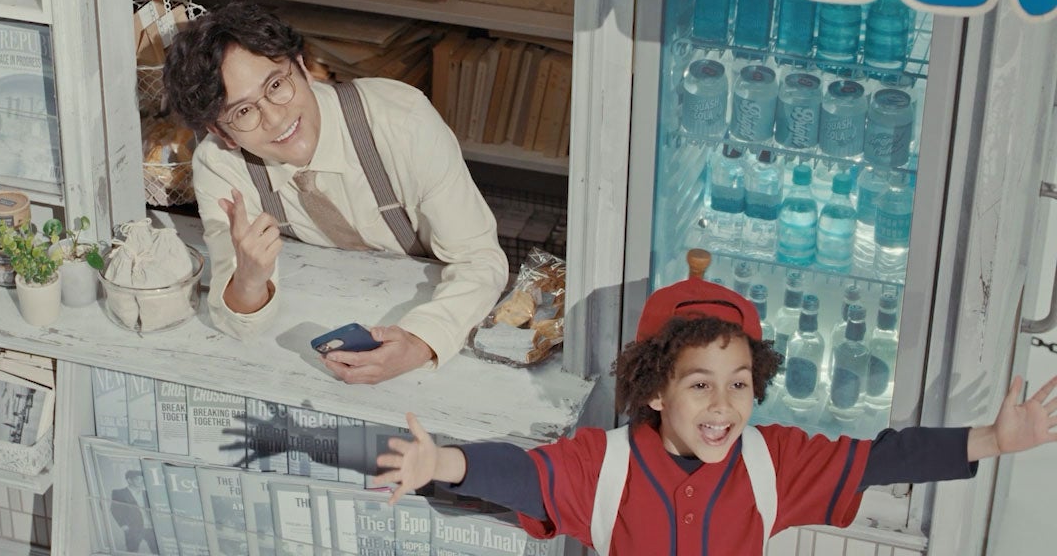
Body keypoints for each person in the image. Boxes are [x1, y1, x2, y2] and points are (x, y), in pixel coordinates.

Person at [376, 273, 1057, 555]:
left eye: (739, 384)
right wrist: (443, 462)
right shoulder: (604, 466)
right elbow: (527, 476)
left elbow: (883, 460)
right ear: (654, 390)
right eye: (700, 385)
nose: (723, 405)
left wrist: (992, 440)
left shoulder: (773, 463)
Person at [164, 2, 508, 384]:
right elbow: (237, 322)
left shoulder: (402, 121)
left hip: (437, 321)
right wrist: (248, 278)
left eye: (276, 85)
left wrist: (420, 342)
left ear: (303, 67)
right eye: (243, 112)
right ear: (222, 133)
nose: (275, 118)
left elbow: (480, 259)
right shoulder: (221, 166)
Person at [110, 468, 156, 553]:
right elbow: (115, 509)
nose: (141, 482)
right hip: (133, 528)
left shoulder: (147, 493)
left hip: (151, 528)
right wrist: (123, 525)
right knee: (132, 551)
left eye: (142, 480)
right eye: (138, 479)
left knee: (156, 551)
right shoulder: (119, 493)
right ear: (129, 480)